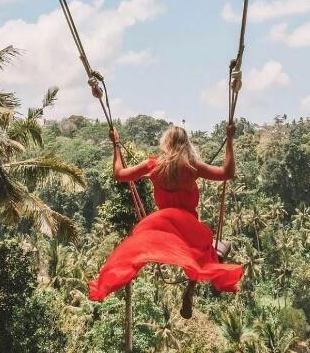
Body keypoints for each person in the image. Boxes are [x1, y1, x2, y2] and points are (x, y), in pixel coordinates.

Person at [88, 124, 243, 319]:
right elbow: (227, 173)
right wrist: (229, 140)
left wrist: (116, 145)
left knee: (136, 247)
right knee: (215, 248)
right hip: (188, 228)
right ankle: (192, 284)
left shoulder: (153, 166)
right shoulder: (191, 166)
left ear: (165, 143)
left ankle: (190, 280)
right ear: (185, 144)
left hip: (163, 226)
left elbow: (119, 174)